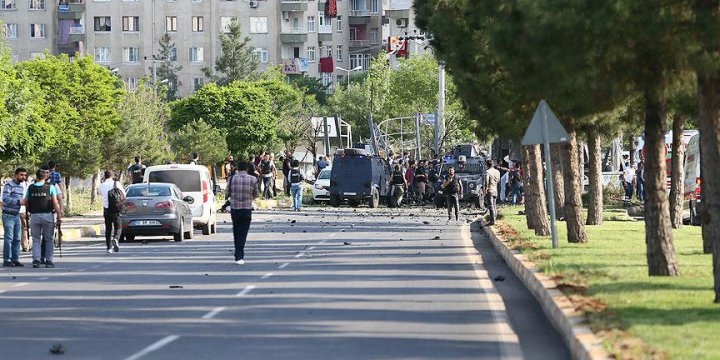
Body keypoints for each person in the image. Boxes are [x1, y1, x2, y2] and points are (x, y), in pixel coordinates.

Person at [22, 169, 63, 268]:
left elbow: (24, 202)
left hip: (34, 216)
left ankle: (36, 260)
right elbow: (55, 203)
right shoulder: (51, 187)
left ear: (36, 177)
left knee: (35, 239)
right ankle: (48, 261)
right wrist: (59, 216)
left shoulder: (31, 188)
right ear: (45, 177)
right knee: (48, 239)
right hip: (47, 216)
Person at [226, 162, 259, 265]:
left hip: (235, 209)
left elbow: (227, 193)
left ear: (238, 169)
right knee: (243, 233)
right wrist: (249, 198)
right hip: (246, 209)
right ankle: (240, 255)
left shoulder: (231, 179)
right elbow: (256, 194)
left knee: (236, 231)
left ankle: (238, 254)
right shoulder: (253, 179)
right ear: (247, 169)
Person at [2, 168, 28, 267]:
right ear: (16, 175)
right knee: (9, 238)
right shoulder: (9, 185)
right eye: (21, 175)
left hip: (17, 215)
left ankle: (15, 259)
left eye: (25, 175)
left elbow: (22, 200)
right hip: (8, 214)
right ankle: (7, 260)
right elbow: (5, 198)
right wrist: (18, 202)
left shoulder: (21, 186)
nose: (23, 177)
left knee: (17, 238)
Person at [97, 170, 124, 253]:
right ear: (112, 176)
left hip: (106, 209)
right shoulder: (117, 184)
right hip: (116, 209)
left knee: (108, 229)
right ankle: (115, 239)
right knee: (118, 227)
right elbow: (123, 195)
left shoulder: (101, 185)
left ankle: (109, 248)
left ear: (104, 176)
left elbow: (99, 193)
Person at [485, 160, 501, 226]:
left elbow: (486, 181)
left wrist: (486, 188)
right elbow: (498, 180)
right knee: (494, 205)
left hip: (490, 190)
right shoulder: (497, 171)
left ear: (487, 165)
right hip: (495, 190)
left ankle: (492, 220)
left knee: (490, 206)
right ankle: (495, 218)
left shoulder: (487, 172)